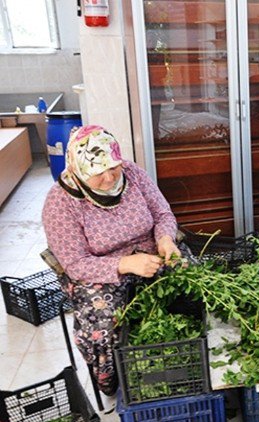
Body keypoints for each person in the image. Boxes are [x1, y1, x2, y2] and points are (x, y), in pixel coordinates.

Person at [42, 125, 182, 396]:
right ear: (79, 172)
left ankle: (182, 364)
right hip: (98, 271)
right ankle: (110, 382)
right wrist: (125, 264)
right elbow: (75, 263)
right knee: (101, 321)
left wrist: (165, 239)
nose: (109, 178)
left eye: (113, 168)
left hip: (150, 252)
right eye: (97, 173)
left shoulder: (132, 173)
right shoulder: (60, 202)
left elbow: (163, 213)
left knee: (190, 284)